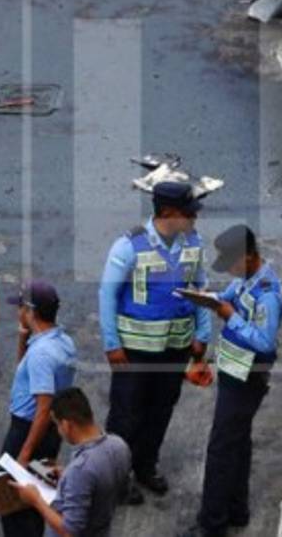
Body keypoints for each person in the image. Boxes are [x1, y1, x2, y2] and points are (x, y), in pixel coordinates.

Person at [98, 181, 211, 502]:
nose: (194, 219)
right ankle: (117, 479)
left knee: (161, 410)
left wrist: (202, 335)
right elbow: (107, 294)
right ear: (167, 213)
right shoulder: (128, 246)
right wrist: (112, 344)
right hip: (134, 350)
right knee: (126, 415)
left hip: (175, 347)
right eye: (188, 213)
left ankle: (146, 466)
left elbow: (199, 288)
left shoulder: (193, 243)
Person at [188, 225, 282, 537]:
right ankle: (236, 510)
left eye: (231, 263)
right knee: (238, 443)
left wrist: (230, 316)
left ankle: (212, 524)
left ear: (249, 257)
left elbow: (264, 342)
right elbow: (225, 297)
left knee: (220, 449)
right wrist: (207, 300)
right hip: (234, 371)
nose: (229, 270)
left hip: (247, 378)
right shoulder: (245, 280)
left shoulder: (267, 294)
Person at [1, 281, 77, 537]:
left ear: (31, 312)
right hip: (49, 431)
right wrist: (24, 337)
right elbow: (27, 369)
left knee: (14, 502)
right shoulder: (62, 341)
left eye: (21, 307)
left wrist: (23, 454)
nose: (18, 312)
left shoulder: (42, 354)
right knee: (39, 495)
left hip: (28, 429)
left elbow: (43, 408)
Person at [9, 388, 131, 537]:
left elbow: (69, 531)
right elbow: (113, 486)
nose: (59, 431)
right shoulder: (119, 445)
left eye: (57, 425)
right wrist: (67, 478)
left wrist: (35, 500)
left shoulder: (80, 470)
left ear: (66, 425)